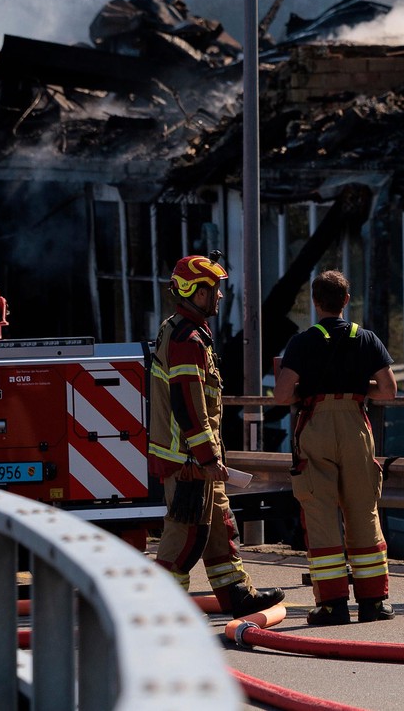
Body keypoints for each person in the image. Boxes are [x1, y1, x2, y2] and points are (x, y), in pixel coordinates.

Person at [147, 252, 283, 617]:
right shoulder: (186, 340)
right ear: (193, 292)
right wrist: (207, 458)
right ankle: (161, 613)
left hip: (196, 457)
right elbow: (188, 404)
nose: (220, 296)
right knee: (186, 537)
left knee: (221, 527)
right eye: (213, 289)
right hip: (189, 460)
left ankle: (238, 595)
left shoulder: (184, 331)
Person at [274, 269, 398, 625]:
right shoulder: (366, 338)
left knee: (321, 514)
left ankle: (333, 605)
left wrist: (305, 393)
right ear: (346, 300)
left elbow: (282, 395)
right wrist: (359, 391)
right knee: (363, 510)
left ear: (315, 303)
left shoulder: (302, 341)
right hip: (355, 424)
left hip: (316, 424)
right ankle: (374, 602)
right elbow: (388, 390)